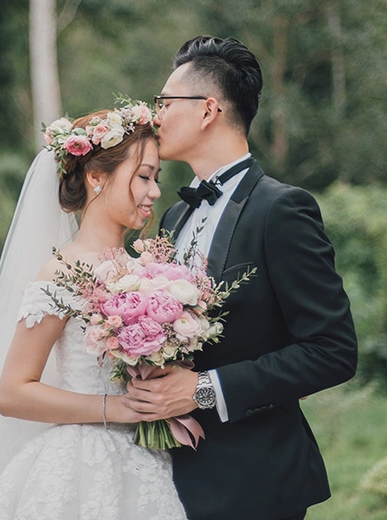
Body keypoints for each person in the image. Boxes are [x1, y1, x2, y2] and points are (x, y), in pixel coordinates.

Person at [122, 36, 358, 520]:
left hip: (253, 480)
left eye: (164, 103)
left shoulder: (281, 209)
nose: (154, 116)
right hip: (166, 476)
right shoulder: (172, 219)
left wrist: (204, 389)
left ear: (208, 109)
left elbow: (332, 351)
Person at [0, 104, 188, 520]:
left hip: (147, 461)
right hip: (80, 464)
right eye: (144, 176)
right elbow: (13, 392)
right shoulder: (63, 270)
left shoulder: (148, 272)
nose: (155, 192)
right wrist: (116, 409)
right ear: (96, 176)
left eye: (156, 179)